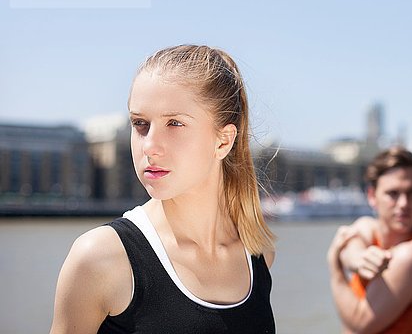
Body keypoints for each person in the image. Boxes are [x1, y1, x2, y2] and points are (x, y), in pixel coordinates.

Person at [50, 45, 276, 333]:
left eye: (174, 123)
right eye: (140, 124)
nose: (149, 145)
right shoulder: (100, 258)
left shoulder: (257, 256)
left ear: (223, 141)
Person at [327, 147, 412, 334]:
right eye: (393, 193)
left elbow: (360, 322)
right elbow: (352, 245)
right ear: (372, 196)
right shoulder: (367, 227)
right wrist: (359, 260)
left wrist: (335, 268)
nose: (403, 203)